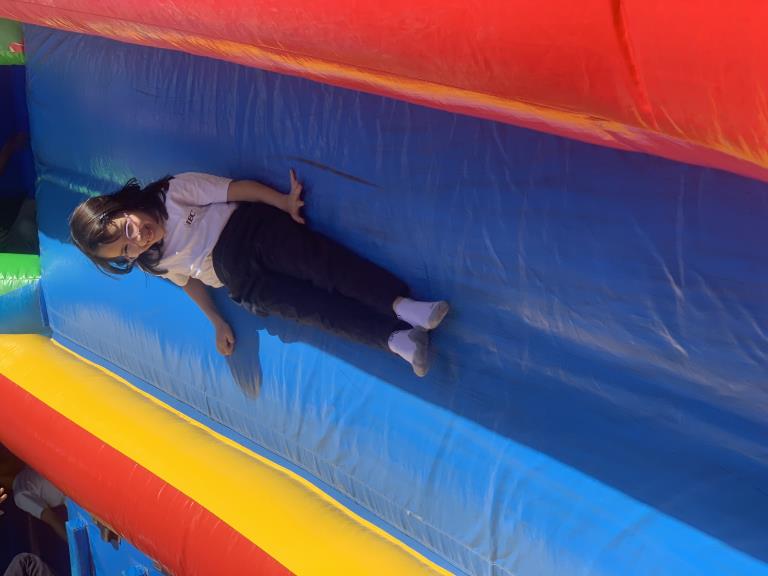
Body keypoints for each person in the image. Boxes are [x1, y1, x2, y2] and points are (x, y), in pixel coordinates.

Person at [69, 171, 449, 376]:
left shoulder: (173, 193)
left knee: (322, 265)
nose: (136, 240)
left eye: (127, 229)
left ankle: (404, 306)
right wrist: (216, 321)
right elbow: (189, 283)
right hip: (241, 283)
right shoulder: (154, 261)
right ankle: (397, 339)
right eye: (126, 251)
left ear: (122, 206)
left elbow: (236, 189)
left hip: (249, 233)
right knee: (313, 310)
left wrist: (282, 202)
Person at [0, 447, 67, 542]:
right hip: (73, 497)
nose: (5, 456)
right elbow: (53, 520)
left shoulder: (28, 464)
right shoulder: (20, 494)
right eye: (2, 459)